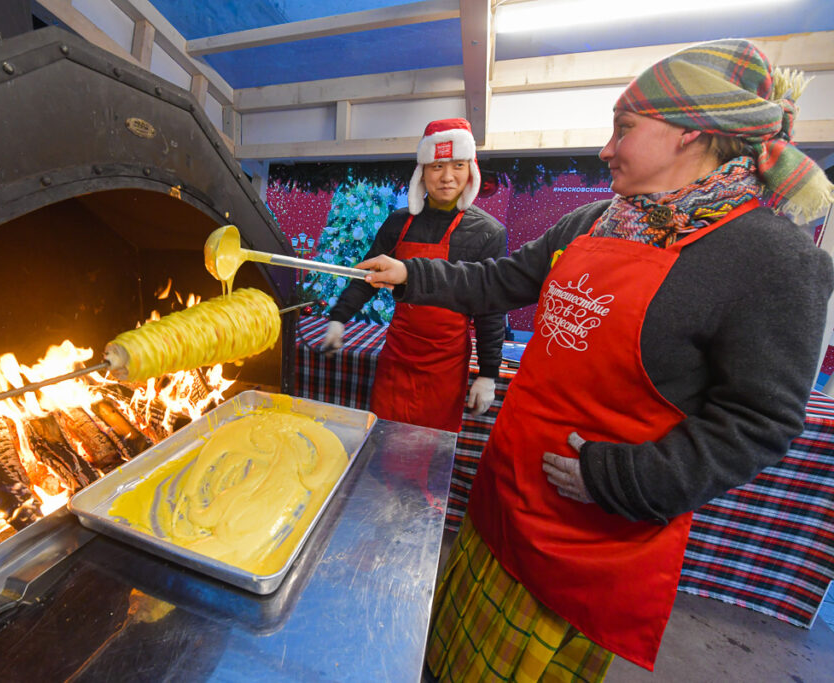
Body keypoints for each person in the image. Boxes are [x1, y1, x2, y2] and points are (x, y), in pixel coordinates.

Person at [359, 39, 834, 680]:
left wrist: (623, 479)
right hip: (505, 497)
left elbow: (760, 421)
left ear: (692, 135)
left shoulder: (773, 260)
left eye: (624, 129)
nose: (606, 148)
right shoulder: (597, 220)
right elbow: (501, 280)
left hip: (586, 536)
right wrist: (411, 276)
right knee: (442, 658)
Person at [321, 118, 508, 440]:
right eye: (436, 166)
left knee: (428, 447)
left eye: (458, 165)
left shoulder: (489, 232)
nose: (447, 177)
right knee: (384, 436)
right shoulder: (398, 222)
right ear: (422, 172)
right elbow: (367, 274)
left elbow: (491, 306)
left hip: (446, 363)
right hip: (399, 353)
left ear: (471, 171)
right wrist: (339, 318)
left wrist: (488, 374)